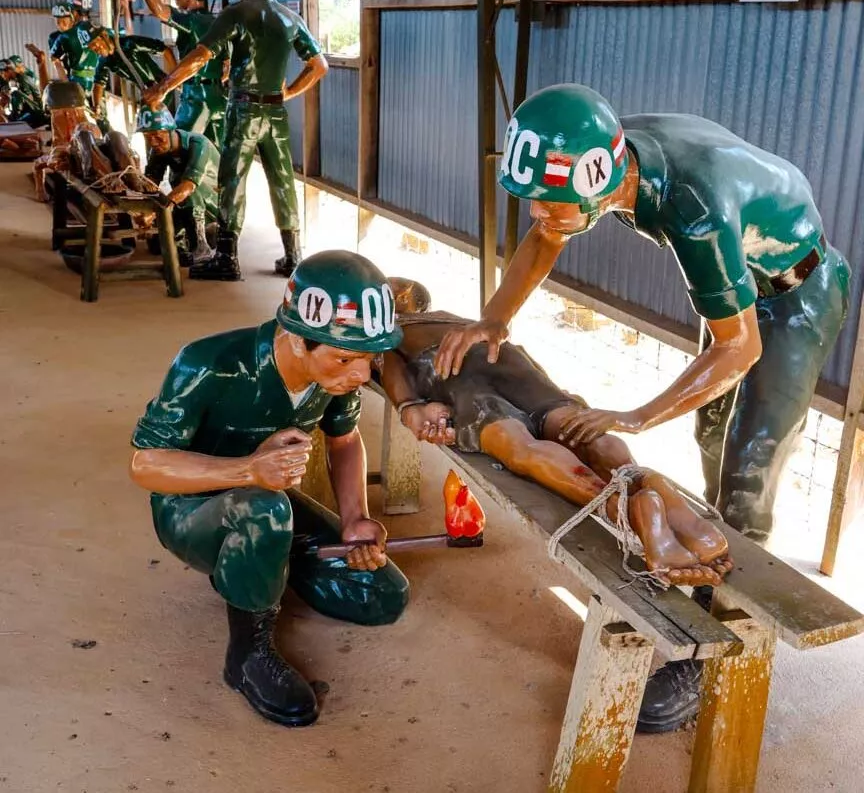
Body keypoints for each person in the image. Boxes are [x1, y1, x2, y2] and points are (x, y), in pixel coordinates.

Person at [434, 83, 850, 732]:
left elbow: (739, 346)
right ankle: (710, 564)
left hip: (797, 293)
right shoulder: (598, 147)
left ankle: (712, 649)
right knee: (712, 435)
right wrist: (495, 318)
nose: (538, 210)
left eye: (548, 200)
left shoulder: (693, 207)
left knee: (749, 465)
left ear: (599, 183)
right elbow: (548, 235)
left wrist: (634, 417)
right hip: (744, 280)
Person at [129, 250, 407, 727]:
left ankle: (263, 562)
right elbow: (145, 465)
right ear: (298, 339)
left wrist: (355, 519)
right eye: (345, 358)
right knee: (266, 512)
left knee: (381, 595)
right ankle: (247, 656)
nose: (361, 375)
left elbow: (344, 440)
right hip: (190, 510)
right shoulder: (207, 363)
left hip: (269, 500)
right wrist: (249, 471)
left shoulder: (335, 381)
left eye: (369, 359)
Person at [380, 278, 732, 588]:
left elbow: (392, 368)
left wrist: (410, 406)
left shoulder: (393, 331)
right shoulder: (458, 319)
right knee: (571, 424)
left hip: (447, 367)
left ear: (398, 303)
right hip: (506, 358)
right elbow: (521, 354)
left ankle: (625, 512)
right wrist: (557, 394)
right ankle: (640, 478)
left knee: (519, 444)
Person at [142, 0, 328, 282]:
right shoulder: (290, 18)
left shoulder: (236, 13)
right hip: (276, 114)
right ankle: (293, 255)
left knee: (232, 179)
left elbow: (201, 56)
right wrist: (287, 92)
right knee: (282, 180)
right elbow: (319, 66)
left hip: (244, 110)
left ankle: (227, 257)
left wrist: (164, 87)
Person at [121, 0, 229, 145]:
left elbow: (159, 11)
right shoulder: (219, 22)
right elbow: (226, 68)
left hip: (196, 98)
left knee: (179, 148)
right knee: (215, 154)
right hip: (219, 98)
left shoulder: (191, 21)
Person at [139, 104, 218, 264]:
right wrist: (143, 209)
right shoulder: (159, 149)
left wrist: (156, 212)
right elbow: (150, 183)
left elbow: (188, 187)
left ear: (171, 130)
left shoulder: (199, 144)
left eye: (157, 136)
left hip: (214, 206)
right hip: (184, 205)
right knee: (157, 243)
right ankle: (185, 239)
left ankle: (201, 246)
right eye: (148, 137)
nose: (153, 142)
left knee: (187, 190)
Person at [87, 27, 172, 112]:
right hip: (148, 95)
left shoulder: (130, 43)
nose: (95, 49)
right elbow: (98, 83)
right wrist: (96, 106)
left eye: (95, 43)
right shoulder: (103, 61)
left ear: (105, 35)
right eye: (91, 48)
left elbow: (165, 50)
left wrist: (173, 77)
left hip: (163, 88)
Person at [0, 56, 49, 127]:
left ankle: (14, 119)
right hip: (28, 113)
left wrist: (12, 97)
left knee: (15, 94)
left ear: (10, 70)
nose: (2, 75)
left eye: (2, 73)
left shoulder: (22, 78)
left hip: (35, 113)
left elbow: (30, 98)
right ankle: (14, 119)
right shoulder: (13, 81)